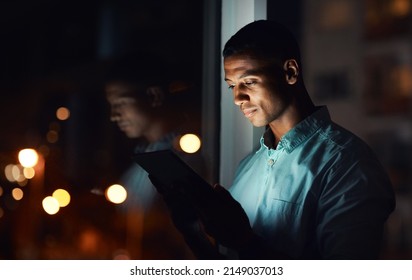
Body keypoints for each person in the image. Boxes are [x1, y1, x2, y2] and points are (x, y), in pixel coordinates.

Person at [151, 20, 396, 259]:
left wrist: (245, 241)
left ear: (290, 72)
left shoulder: (348, 165)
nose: (238, 98)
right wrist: (189, 226)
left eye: (249, 82)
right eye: (232, 86)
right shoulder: (248, 165)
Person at [104, 53, 201, 259]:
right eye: (111, 106)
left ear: (154, 96)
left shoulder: (189, 156)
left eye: (121, 103)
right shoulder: (140, 165)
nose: (114, 116)